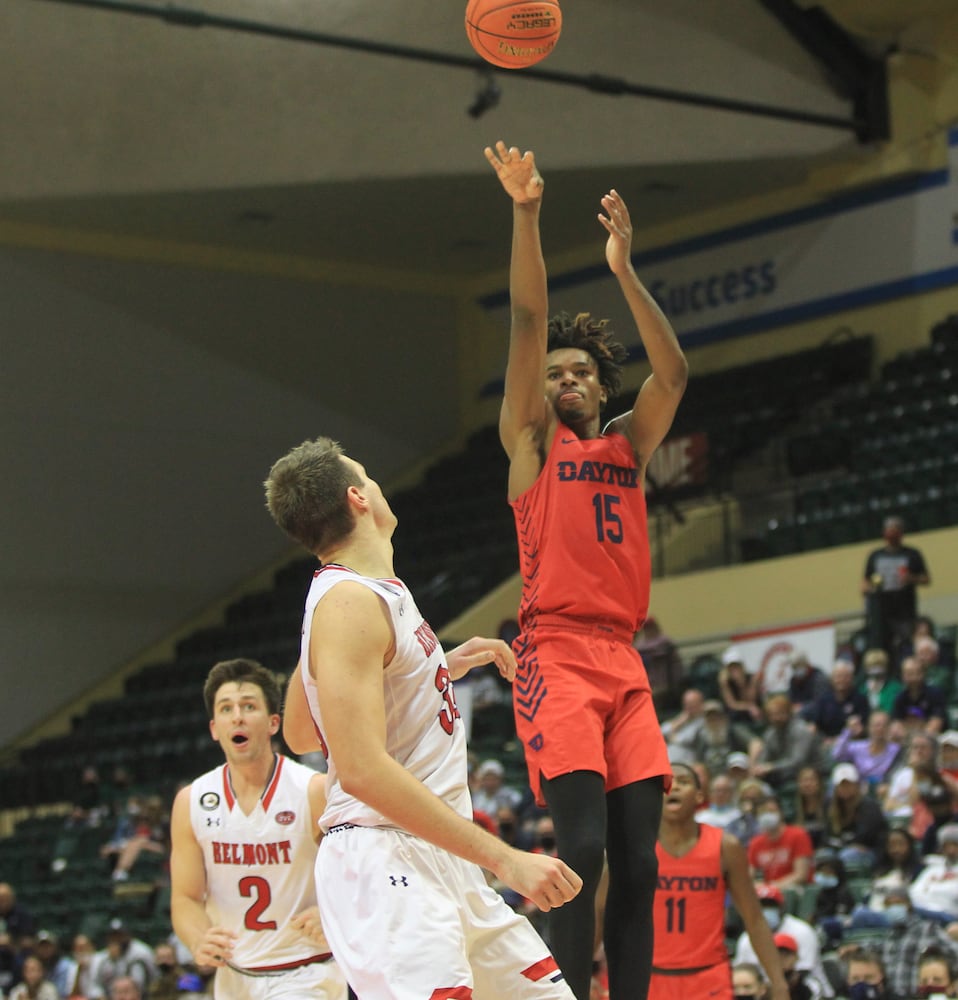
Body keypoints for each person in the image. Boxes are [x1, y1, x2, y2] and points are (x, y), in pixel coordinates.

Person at [265, 436, 582, 1000]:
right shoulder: (347, 603)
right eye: (369, 475)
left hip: (440, 856)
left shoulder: (370, 594)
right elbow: (358, 769)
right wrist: (506, 858)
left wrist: (430, 667)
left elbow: (301, 728)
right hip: (385, 854)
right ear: (358, 497)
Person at [485, 139, 687, 1000]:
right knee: (586, 849)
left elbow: (673, 370)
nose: (565, 379)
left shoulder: (628, 446)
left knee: (641, 859)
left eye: (580, 373)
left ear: (601, 389)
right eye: (556, 374)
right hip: (556, 655)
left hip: (623, 659)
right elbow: (529, 323)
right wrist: (527, 215)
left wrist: (625, 268)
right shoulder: (532, 448)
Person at [169, 657, 347, 1000]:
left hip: (308, 971)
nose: (237, 716)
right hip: (235, 977)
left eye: (248, 706)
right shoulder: (191, 802)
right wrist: (197, 937)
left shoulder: (313, 791)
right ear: (214, 728)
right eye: (226, 708)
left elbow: (367, 869)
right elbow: (186, 898)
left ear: (272, 723)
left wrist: (334, 911)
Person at [649, 762, 788, 1000]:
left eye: (684, 782)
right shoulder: (634, 849)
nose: (675, 788)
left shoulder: (726, 847)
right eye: (668, 783)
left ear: (700, 796)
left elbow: (754, 918)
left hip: (709, 978)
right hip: (649, 979)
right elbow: (599, 912)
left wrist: (779, 983)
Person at [733, 885, 833, 997]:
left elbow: (804, 972)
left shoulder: (802, 931)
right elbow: (741, 973)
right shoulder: (746, 938)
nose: (780, 959)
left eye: (771, 906)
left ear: (781, 908)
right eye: (762, 906)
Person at [862, 515, 930, 661]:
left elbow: (926, 579)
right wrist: (871, 587)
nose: (891, 533)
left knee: (907, 646)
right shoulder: (875, 556)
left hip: (905, 612)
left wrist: (911, 578)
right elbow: (864, 583)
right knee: (883, 648)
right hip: (881, 612)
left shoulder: (912, 554)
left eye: (895, 529)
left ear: (901, 532)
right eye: (889, 529)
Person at [754, 695, 825, 789]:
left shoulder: (801, 729)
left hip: (810, 771)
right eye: (772, 715)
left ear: (788, 712)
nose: (776, 718)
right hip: (785, 774)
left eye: (780, 713)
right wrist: (760, 768)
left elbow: (798, 761)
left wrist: (772, 767)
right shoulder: (770, 734)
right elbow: (764, 759)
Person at [823, 763, 888, 867]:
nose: (845, 788)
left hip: (871, 852)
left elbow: (865, 837)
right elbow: (827, 835)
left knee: (847, 855)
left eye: (849, 784)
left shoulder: (869, 806)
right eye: (842, 785)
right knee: (824, 856)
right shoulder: (830, 807)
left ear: (856, 785)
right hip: (841, 849)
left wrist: (843, 844)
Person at [747, 796, 814, 890]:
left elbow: (800, 875)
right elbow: (749, 876)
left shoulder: (798, 835)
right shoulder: (755, 842)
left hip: (795, 891)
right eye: (762, 812)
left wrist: (772, 887)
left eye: (771, 811)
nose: (767, 815)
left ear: (781, 813)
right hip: (767, 894)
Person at [801, 660, 870, 743]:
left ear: (851, 678)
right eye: (838, 676)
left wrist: (837, 740)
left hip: (850, 744)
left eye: (845, 676)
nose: (841, 680)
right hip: (825, 743)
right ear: (832, 679)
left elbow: (861, 729)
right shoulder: (824, 699)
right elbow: (815, 725)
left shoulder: (860, 699)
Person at [831, 710, 901, 789]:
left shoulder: (896, 749)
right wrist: (848, 731)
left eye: (884, 725)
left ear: (889, 728)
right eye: (877, 725)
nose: (880, 728)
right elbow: (837, 755)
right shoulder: (858, 747)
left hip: (884, 788)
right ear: (869, 727)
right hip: (860, 789)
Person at [90, 920, 156, 999]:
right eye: (113, 936)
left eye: (119, 936)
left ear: (127, 935)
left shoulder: (142, 952)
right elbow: (94, 985)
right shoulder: (102, 957)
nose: (116, 939)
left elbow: (153, 979)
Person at [891, 658, 948, 735]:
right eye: (910, 674)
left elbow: (936, 724)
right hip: (907, 739)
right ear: (903, 676)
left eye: (918, 673)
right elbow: (897, 725)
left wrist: (918, 737)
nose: (914, 678)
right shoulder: (899, 696)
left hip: (934, 739)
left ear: (924, 674)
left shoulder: (935, 693)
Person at [718, 647, 763, 727]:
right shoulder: (726, 683)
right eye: (731, 667)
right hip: (737, 718)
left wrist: (742, 683)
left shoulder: (751, 678)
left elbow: (751, 699)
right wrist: (749, 707)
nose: (734, 669)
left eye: (736, 666)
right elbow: (731, 704)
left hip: (755, 714)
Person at [661, 689, 707, 765]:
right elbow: (661, 732)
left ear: (701, 703)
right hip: (668, 763)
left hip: (687, 765)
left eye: (692, 703)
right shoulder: (681, 719)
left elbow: (691, 740)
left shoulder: (703, 721)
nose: (689, 707)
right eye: (687, 703)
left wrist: (673, 738)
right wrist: (679, 722)